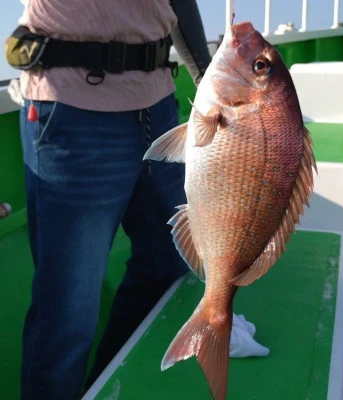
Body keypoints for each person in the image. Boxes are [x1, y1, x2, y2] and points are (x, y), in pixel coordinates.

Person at [12, 1, 211, 399]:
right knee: (67, 313)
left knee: (170, 264)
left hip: (159, 104)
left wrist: (208, 80)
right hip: (71, 105)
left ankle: (101, 387)